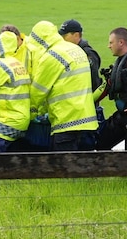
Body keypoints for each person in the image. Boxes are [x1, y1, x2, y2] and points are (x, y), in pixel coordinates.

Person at [26, 20, 98, 152]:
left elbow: (38, 91)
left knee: (63, 167)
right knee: (80, 166)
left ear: (41, 41)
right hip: (87, 120)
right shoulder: (77, 49)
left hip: (67, 120)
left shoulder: (51, 56)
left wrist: (31, 114)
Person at [59, 18, 105, 124]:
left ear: (76, 35)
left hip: (86, 107)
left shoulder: (88, 54)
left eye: (65, 35)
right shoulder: (68, 51)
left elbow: (93, 82)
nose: (62, 39)